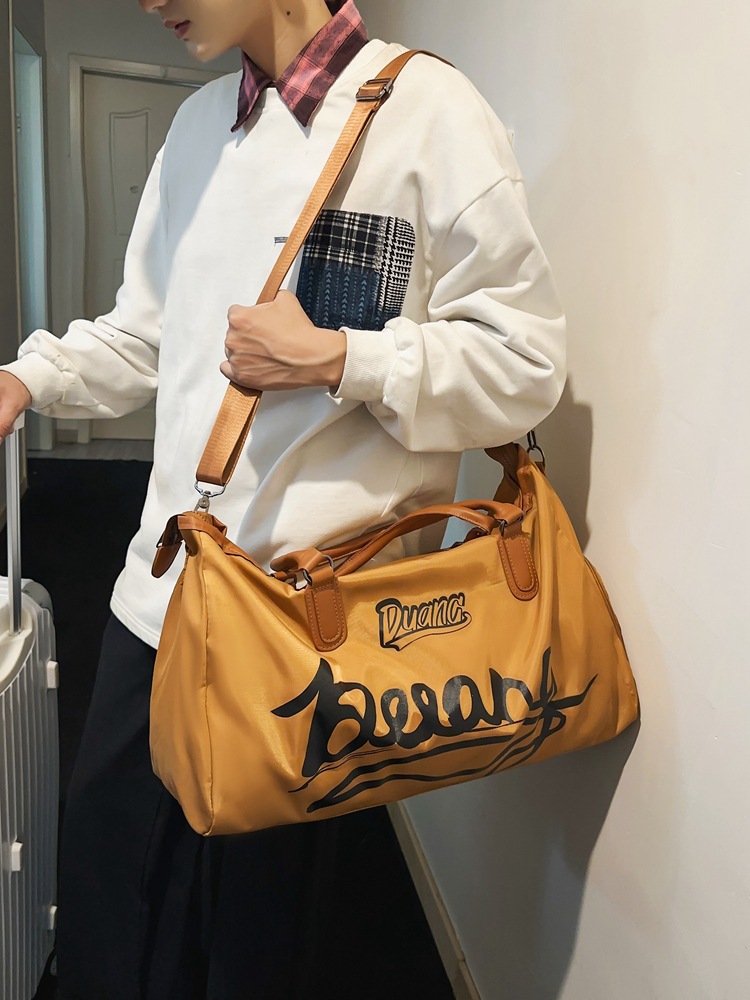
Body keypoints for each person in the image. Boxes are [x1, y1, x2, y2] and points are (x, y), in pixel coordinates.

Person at [0, 1, 567, 997]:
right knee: (110, 902)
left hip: (311, 628)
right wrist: (28, 376)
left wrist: (344, 357)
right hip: (159, 598)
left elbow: (525, 367)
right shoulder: (196, 128)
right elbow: (146, 334)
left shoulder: (431, 112)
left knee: (256, 939)